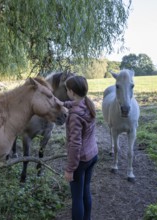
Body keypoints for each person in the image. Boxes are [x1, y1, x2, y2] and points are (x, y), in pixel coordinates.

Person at [62, 75, 99, 220]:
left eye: (67, 90)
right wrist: (60, 103)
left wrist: (70, 169)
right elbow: (74, 104)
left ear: (71, 91)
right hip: (92, 155)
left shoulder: (74, 116)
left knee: (77, 198)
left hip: (81, 160)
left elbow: (75, 145)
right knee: (85, 192)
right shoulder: (88, 103)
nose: (66, 92)